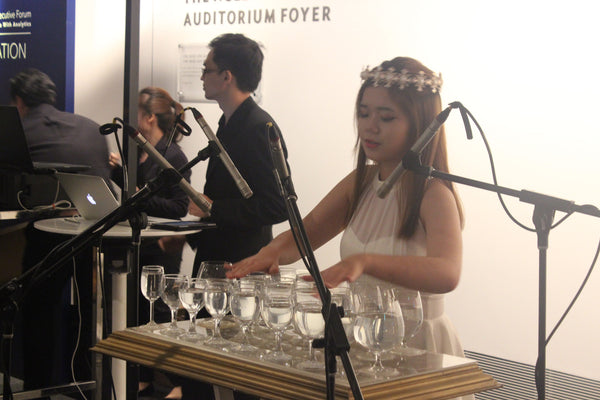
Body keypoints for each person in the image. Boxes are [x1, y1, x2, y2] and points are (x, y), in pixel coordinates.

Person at [228, 57, 470, 366]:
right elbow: (309, 230)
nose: (370, 126)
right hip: (366, 335)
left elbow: (447, 273)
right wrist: (271, 252)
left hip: (419, 343)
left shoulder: (434, 193)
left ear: (420, 125)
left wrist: (365, 262)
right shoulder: (361, 182)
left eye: (386, 117)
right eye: (364, 113)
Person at [185, 33, 289, 400]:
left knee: (236, 374)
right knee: (203, 366)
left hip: (241, 265)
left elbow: (278, 205)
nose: (201, 76)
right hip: (218, 260)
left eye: (207, 69)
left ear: (226, 76)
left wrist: (212, 207)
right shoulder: (228, 123)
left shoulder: (260, 127)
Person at [8, 68, 112, 397]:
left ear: (19, 102)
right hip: (96, 234)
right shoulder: (92, 128)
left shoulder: (18, 130)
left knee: (39, 312)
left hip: (46, 236)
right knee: (89, 314)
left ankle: (38, 388)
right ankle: (85, 384)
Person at [109, 86, 190, 399]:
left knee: (159, 318)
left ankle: (180, 382)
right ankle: (142, 378)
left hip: (161, 250)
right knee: (141, 315)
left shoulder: (173, 156)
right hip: (146, 245)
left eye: (136, 115)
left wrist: (138, 196)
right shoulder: (147, 152)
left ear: (149, 118)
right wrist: (121, 176)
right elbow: (140, 196)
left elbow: (178, 206)